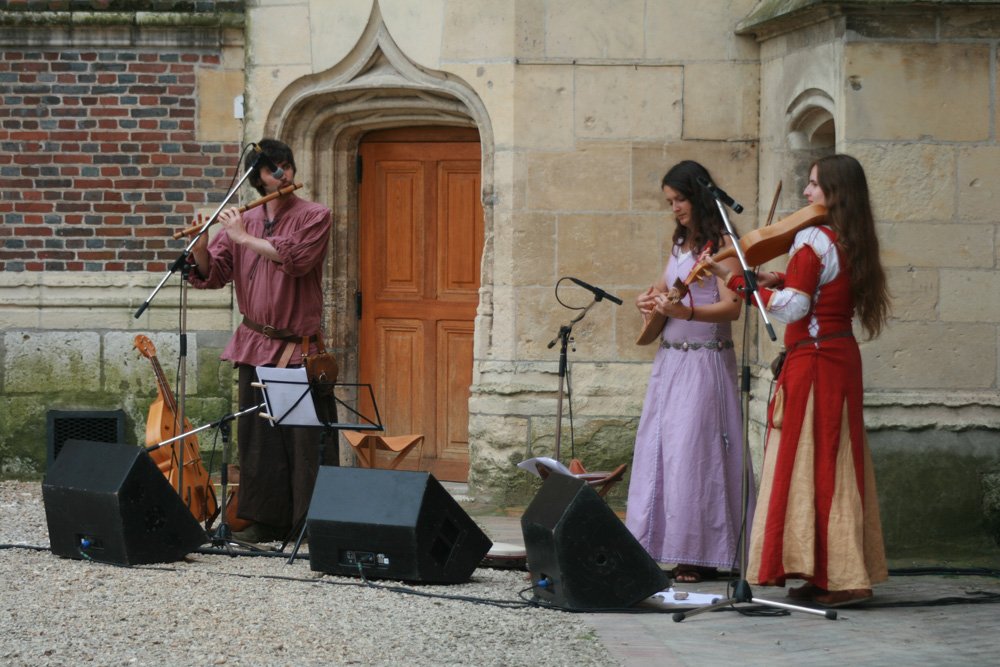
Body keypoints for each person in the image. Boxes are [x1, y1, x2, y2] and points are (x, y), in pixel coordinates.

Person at [704, 154, 891, 607]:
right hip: (839, 357)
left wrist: (744, 286)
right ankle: (829, 571)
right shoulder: (847, 236)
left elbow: (793, 309)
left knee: (815, 462)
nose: (806, 194)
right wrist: (780, 277)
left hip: (817, 363)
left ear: (834, 191)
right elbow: (826, 291)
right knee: (831, 459)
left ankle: (844, 577)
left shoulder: (811, 239)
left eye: (813, 185)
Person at [188, 138, 333, 543]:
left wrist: (242, 237)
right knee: (258, 440)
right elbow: (213, 274)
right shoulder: (245, 219)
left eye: (286, 165)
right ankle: (265, 521)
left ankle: (309, 525)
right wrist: (202, 246)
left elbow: (298, 260)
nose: (283, 174)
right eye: (273, 169)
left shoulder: (315, 215)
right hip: (254, 343)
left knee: (303, 441)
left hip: (296, 348)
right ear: (257, 178)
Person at [626, 160, 754, 583]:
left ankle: (700, 552)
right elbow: (667, 286)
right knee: (661, 449)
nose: (675, 209)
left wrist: (687, 310)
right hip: (671, 359)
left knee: (694, 455)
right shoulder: (682, 240)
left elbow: (733, 307)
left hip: (704, 360)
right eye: (670, 202)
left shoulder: (721, 244)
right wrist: (652, 299)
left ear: (698, 197)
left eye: (679, 200)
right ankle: (660, 545)